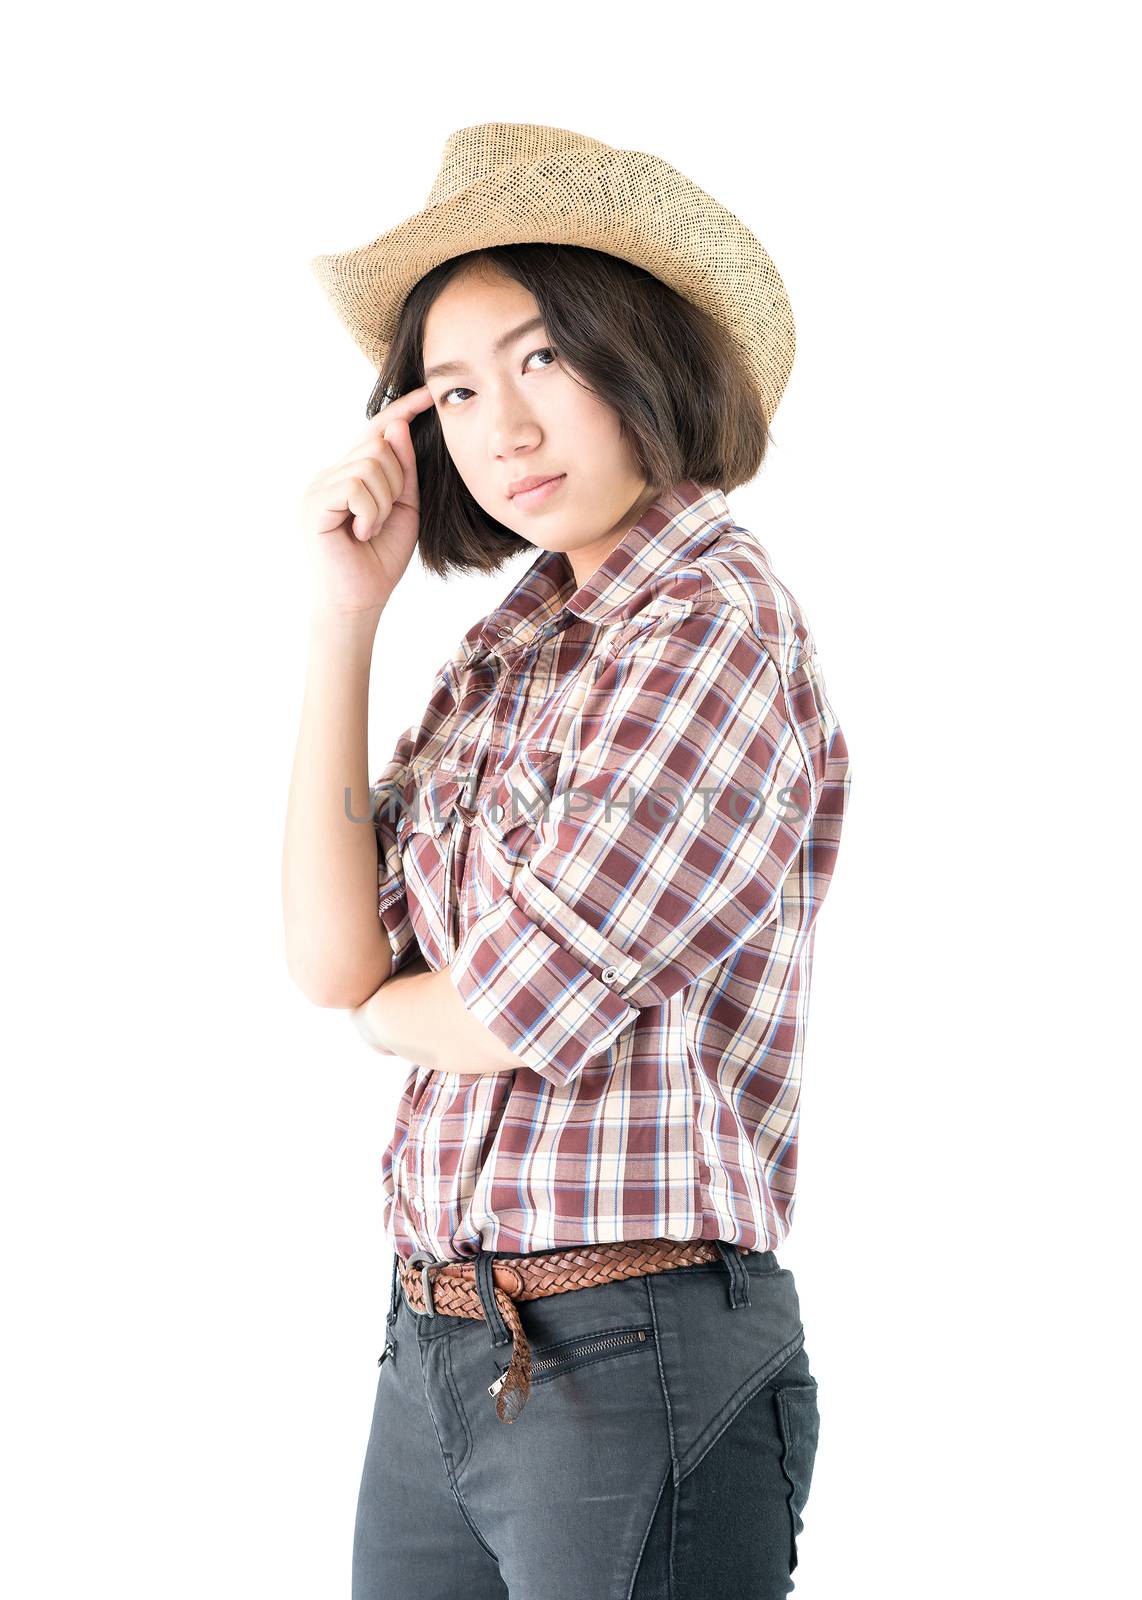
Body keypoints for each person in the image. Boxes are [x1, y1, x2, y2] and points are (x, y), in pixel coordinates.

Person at [283, 123, 851, 1600]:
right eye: (455, 390)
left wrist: (392, 1018)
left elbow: (513, 1009)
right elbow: (334, 956)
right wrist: (348, 615)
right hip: (437, 1347)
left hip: (631, 1346)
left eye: (541, 361)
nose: (503, 429)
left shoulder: (710, 621)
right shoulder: (512, 644)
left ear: (637, 355)